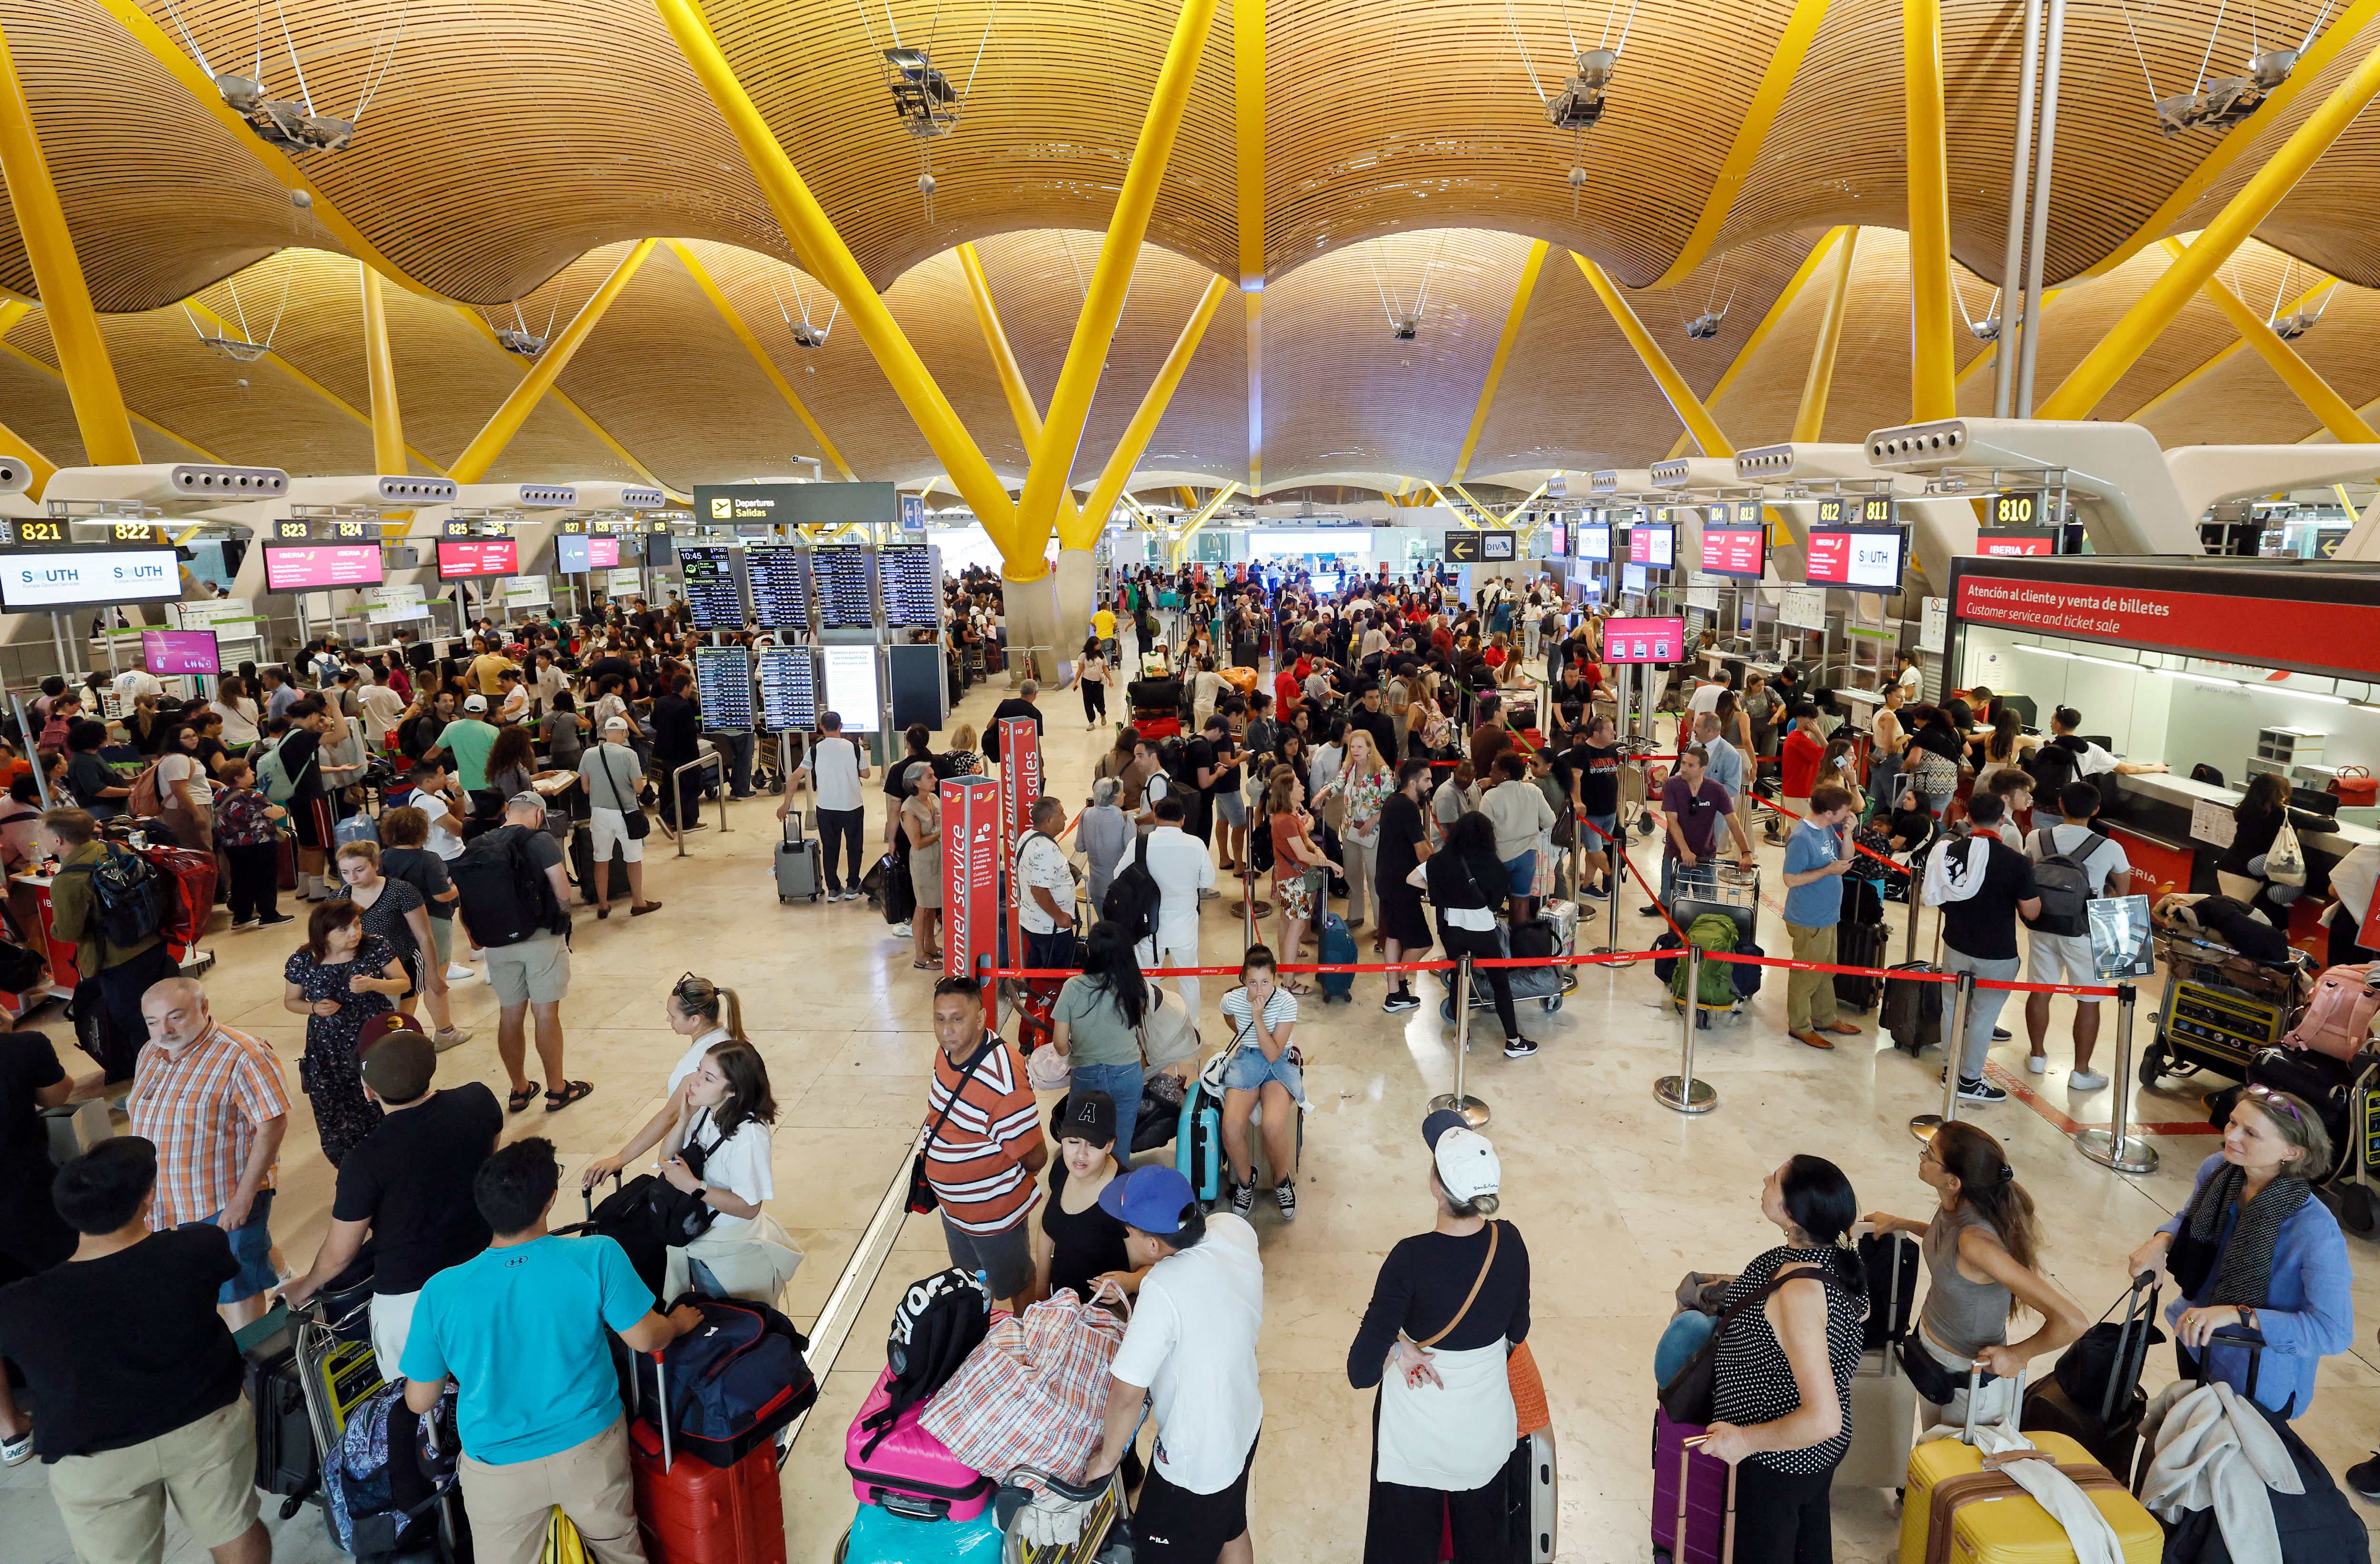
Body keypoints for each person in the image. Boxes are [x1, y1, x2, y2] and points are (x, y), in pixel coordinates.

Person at [400, 1138, 703, 1564]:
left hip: (497, 1468)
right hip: (590, 1448)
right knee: (620, 1549)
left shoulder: (441, 1291)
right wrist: (676, 1323)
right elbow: (646, 1338)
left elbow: (420, 1399)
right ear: (551, 1201)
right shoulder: (596, 1255)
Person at [0, 1138, 273, 1564]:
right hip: (206, 1423)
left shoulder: (20, 1303)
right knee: (233, 1528)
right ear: (148, 1197)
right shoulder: (199, 1247)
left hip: (96, 1458)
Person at [1348, 1111, 1529, 1564]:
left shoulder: (1409, 1259)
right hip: (1486, 1437)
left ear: (1437, 1186)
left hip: (1416, 1447)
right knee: (1485, 1545)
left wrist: (1398, 1345)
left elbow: (1361, 1370)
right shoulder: (1511, 1243)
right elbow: (1518, 1330)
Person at [281, 1030, 502, 1377]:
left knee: (422, 1408)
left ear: (369, 1091)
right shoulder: (479, 1101)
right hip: (487, 1264)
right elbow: (489, 1163)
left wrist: (305, 1285)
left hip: (411, 1297)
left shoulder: (364, 1161)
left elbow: (340, 1253)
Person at [2127, 1085, 2351, 1420]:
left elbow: (2333, 1332)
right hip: (2195, 1337)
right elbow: (2186, 1218)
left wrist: (2238, 1313)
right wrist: (2161, 1241)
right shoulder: (2219, 1171)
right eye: (2233, 1123)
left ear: (2293, 1152)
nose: (2231, 1137)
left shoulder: (2316, 1229)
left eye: (2251, 1133)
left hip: (2257, 1372)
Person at [1081, 1165, 1264, 1564]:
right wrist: (1134, 1281)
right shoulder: (1233, 1229)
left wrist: (1107, 1459)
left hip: (1195, 1460)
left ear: (1151, 1247)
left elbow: (1127, 1393)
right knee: (1230, 1526)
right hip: (1244, 1419)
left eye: (1129, 1229)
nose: (1124, 1234)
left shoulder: (1162, 1290)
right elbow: (1190, 1265)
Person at [1696, 1156, 1867, 1564]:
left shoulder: (1800, 1294)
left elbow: (1823, 1419)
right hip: (1809, 1454)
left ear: (1792, 1215)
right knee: (1808, 1542)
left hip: (1779, 1457)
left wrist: (1742, 1441)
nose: (1764, 1179)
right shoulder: (1837, 1260)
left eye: (1774, 1180)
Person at [1863, 1121, 2085, 1427]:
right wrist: (1901, 1223)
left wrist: (2019, 1355)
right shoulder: (1953, 1208)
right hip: (1931, 1359)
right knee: (1931, 1459)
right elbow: (1949, 1253)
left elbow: (2073, 1321)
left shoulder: (1977, 1242)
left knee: (1953, 1473)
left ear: (1954, 1181)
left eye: (1929, 1154)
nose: (1922, 1157)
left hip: (1972, 1383)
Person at [128, 978, 289, 1328]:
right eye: (152, 1022)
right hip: (167, 1202)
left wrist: (243, 1199)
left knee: (237, 1289)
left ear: (203, 1008)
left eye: (175, 1017)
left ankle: (254, 1370)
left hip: (223, 1201)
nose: (164, 1030)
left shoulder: (243, 1055)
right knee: (200, 1283)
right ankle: (288, 1282)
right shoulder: (149, 1053)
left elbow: (272, 1126)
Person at [922, 976, 1047, 1310]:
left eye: (957, 1018)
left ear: (980, 1018)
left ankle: (1029, 1342)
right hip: (955, 1210)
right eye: (940, 1018)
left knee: (1018, 1281)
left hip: (993, 1214)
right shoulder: (945, 1053)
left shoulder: (1003, 1076)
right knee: (972, 1281)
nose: (947, 1030)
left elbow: (1035, 1156)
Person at [464, 792, 590, 1116]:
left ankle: (519, 1090)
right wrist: (561, 921)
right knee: (546, 1014)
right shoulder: (540, 840)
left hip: (497, 942)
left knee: (510, 1014)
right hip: (540, 938)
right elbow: (563, 891)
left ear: (509, 811)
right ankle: (557, 1090)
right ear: (538, 813)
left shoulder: (479, 843)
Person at [42, 807, 183, 1083]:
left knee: (137, 1025)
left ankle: (157, 1085)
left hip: (116, 960)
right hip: (152, 943)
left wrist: (53, 929)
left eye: (41, 833)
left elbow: (69, 931)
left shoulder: (68, 880)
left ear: (58, 840)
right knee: (167, 1013)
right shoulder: (117, 850)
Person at [657, 1038, 801, 1305]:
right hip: (699, 1241)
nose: (695, 1081)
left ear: (733, 1091)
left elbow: (749, 1208)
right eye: (699, 1070)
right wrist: (683, 1119)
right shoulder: (706, 1110)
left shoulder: (750, 1137)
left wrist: (694, 1186)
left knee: (736, 1327)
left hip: (731, 1255)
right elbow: (666, 1159)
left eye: (708, 1078)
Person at [2017, 781, 2134, 1090]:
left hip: (2043, 924)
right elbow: (2123, 890)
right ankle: (2081, 1072)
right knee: (2089, 1000)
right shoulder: (2109, 847)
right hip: (2086, 930)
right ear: (2096, 810)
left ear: (2061, 805)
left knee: (2040, 989)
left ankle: (2037, 1056)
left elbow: (2027, 876)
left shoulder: (2037, 837)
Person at [1928, 793, 2041, 1105]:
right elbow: (2031, 912)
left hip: (1956, 942)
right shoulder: (2015, 862)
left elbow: (1939, 895)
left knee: (1952, 1007)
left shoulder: (1951, 850)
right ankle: (1969, 1079)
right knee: (1983, 1016)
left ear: (1970, 817)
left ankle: (1950, 1070)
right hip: (1997, 951)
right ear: (2002, 820)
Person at [281, 899, 405, 1166]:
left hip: (373, 1041)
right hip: (327, 1048)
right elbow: (291, 1001)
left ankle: (392, 1159)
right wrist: (314, 1008)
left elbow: (403, 983)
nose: (354, 934)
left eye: (357, 925)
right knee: (334, 1108)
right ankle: (350, 1165)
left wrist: (374, 984)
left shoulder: (374, 947)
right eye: (343, 930)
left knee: (380, 1101)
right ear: (322, 933)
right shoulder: (303, 960)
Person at [1423, 810, 1536, 1057]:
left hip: (1452, 931)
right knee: (1500, 983)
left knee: (1458, 979)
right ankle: (1514, 1041)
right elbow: (1497, 903)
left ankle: (1461, 1036)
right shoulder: (1493, 864)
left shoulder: (1442, 860)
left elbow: (1414, 879)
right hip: (1482, 932)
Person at [1033, 1090, 1145, 1313]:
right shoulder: (1061, 1169)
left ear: (1110, 1145)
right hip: (1062, 1308)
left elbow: (1157, 1267)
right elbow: (1047, 1231)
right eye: (1073, 1142)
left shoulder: (1126, 1195)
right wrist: (1041, 1297)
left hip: (1105, 1320)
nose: (1081, 1155)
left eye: (1093, 1145)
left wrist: (1131, 1282)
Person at [1217, 945, 1307, 1222]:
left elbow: (1273, 1052)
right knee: (1231, 1126)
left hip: (1278, 1062)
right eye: (1253, 982)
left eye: (1266, 982)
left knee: (1272, 1124)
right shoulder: (1233, 999)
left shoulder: (1286, 1003)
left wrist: (1256, 1018)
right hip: (1247, 1060)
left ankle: (1282, 1181)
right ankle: (1245, 1182)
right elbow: (1227, 1011)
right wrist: (1242, 1029)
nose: (1259, 990)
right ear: (1243, 978)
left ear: (1276, 979)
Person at [1053, 923, 1152, 1165]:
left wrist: (1070, 1058)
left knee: (1084, 1142)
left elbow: (1059, 1043)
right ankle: (1117, 1190)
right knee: (1121, 1140)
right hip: (1127, 1073)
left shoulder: (1073, 987)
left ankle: (1088, 1192)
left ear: (1091, 952)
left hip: (1086, 1074)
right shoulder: (1135, 986)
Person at [1779, 783, 1864, 1052]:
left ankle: (1825, 1017)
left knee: (1827, 970)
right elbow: (1790, 879)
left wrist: (1848, 834)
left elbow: (1845, 859)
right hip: (1809, 918)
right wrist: (1828, 871)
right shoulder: (1803, 838)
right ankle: (1801, 1026)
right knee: (1807, 976)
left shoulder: (1827, 828)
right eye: (1845, 812)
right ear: (1829, 812)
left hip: (1828, 914)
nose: (1848, 815)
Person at [1118, 794, 1213, 1016]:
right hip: (1184, 926)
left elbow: (1118, 876)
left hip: (1147, 927)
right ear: (1183, 820)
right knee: (1189, 979)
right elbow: (1208, 881)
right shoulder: (1196, 844)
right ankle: (1193, 1028)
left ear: (1156, 819)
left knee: (1149, 980)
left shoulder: (1140, 843)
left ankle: (1151, 1027)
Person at [1646, 747, 1755, 916]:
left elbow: (1733, 822)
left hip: (1705, 857)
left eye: (1691, 765)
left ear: (1703, 769)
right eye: (1684, 763)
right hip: (1676, 856)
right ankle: (1664, 907)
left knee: (1706, 906)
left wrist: (1746, 852)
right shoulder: (1672, 785)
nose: (1684, 768)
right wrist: (1685, 851)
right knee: (1671, 904)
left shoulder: (1716, 790)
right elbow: (1672, 821)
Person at [578, 715, 664, 919]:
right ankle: (638, 902)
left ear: (605, 733)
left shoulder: (589, 754)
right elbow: (638, 788)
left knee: (601, 859)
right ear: (625, 733)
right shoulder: (629, 754)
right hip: (626, 813)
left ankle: (603, 904)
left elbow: (585, 788)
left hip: (599, 814)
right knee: (633, 858)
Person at [1267, 769, 1340, 986]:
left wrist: (1317, 849)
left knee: (1287, 922)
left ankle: (1285, 968)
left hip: (1288, 878)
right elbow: (1301, 854)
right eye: (1298, 786)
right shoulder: (1286, 821)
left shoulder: (1288, 817)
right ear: (1289, 793)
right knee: (1297, 927)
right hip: (1294, 880)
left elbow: (1305, 840)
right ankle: (1289, 981)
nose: (1303, 788)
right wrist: (1331, 863)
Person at [786, 709, 868, 902]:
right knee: (855, 846)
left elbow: (794, 777)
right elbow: (865, 774)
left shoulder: (815, 750)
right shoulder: (856, 748)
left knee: (830, 847)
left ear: (821, 728)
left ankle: (833, 889)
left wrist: (786, 805)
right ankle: (853, 886)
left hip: (826, 807)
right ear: (841, 726)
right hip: (852, 805)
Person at [1375, 759, 1435, 1014]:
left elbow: (1422, 842)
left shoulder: (1392, 801)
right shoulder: (1408, 808)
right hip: (1402, 886)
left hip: (1387, 881)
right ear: (1413, 783)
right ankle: (1399, 981)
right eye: (1427, 780)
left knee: (1394, 936)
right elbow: (1422, 851)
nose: (1431, 784)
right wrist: (1444, 873)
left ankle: (1395, 995)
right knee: (1423, 942)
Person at [1480, 751, 1554, 926]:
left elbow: (1483, 831)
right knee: (1521, 902)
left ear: (1505, 775)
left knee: (1491, 904)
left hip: (1500, 857)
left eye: (1494, 771)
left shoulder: (1490, 796)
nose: (1490, 775)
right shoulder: (1533, 791)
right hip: (1527, 856)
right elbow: (1550, 820)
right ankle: (1520, 943)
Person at [1018, 796, 1080, 970]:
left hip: (1032, 921)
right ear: (1049, 820)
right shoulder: (1047, 849)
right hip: (1051, 928)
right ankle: (1052, 998)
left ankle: (1033, 996)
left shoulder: (1027, 837)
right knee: (1056, 975)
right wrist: (1060, 917)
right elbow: (1039, 889)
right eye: (1062, 814)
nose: (1066, 818)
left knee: (1036, 967)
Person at [2215, 770, 2289, 915]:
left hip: (2227, 865)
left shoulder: (2245, 809)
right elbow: (2330, 826)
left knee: (2228, 911)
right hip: (2249, 874)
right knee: (2236, 915)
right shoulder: (2281, 814)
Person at [1566, 716, 1622, 899]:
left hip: (1609, 811)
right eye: (1609, 729)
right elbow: (1575, 777)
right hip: (1591, 812)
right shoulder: (1582, 750)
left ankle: (1588, 884)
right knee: (1595, 849)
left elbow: (1614, 775)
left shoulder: (1611, 750)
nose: (1614, 732)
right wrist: (1577, 801)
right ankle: (1609, 872)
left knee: (1596, 850)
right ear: (1597, 733)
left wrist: (1618, 802)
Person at [902, 762, 944, 969]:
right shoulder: (909, 809)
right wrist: (941, 832)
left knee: (932, 905)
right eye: (930, 776)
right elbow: (917, 843)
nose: (935, 780)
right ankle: (920, 955)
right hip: (923, 863)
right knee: (923, 906)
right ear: (916, 782)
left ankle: (932, 945)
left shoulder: (933, 799)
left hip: (937, 859)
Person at [1078, 777, 1132, 918]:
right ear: (1113, 797)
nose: (1124, 795)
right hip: (1119, 886)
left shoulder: (1086, 814)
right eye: (1122, 792)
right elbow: (1132, 851)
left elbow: (1079, 847)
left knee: (1104, 925)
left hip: (1096, 885)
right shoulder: (1124, 818)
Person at [441, 693, 499, 814]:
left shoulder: (451, 728)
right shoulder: (493, 731)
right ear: (486, 711)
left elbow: (432, 752)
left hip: (464, 786)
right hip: (490, 784)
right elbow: (500, 758)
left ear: (463, 709)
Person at [61, 721, 129, 820]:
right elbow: (98, 790)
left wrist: (134, 780)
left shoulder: (93, 755)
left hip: (112, 807)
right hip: (100, 810)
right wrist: (130, 792)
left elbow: (108, 779)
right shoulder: (83, 761)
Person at [985, 679, 1044, 767]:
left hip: (1003, 752)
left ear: (1021, 692)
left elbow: (989, 726)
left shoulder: (1005, 704)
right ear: (1036, 693)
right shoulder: (1035, 714)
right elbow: (1036, 743)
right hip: (1023, 756)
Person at [1078, 637, 1111, 729]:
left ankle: (1103, 713)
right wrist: (1076, 682)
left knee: (1099, 700)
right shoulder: (1083, 655)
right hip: (1087, 681)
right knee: (1088, 702)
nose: (1100, 645)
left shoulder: (1102, 655)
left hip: (1098, 682)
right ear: (1093, 645)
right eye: (1098, 644)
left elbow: (1105, 668)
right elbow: (1080, 669)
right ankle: (1091, 722)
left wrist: (1110, 680)